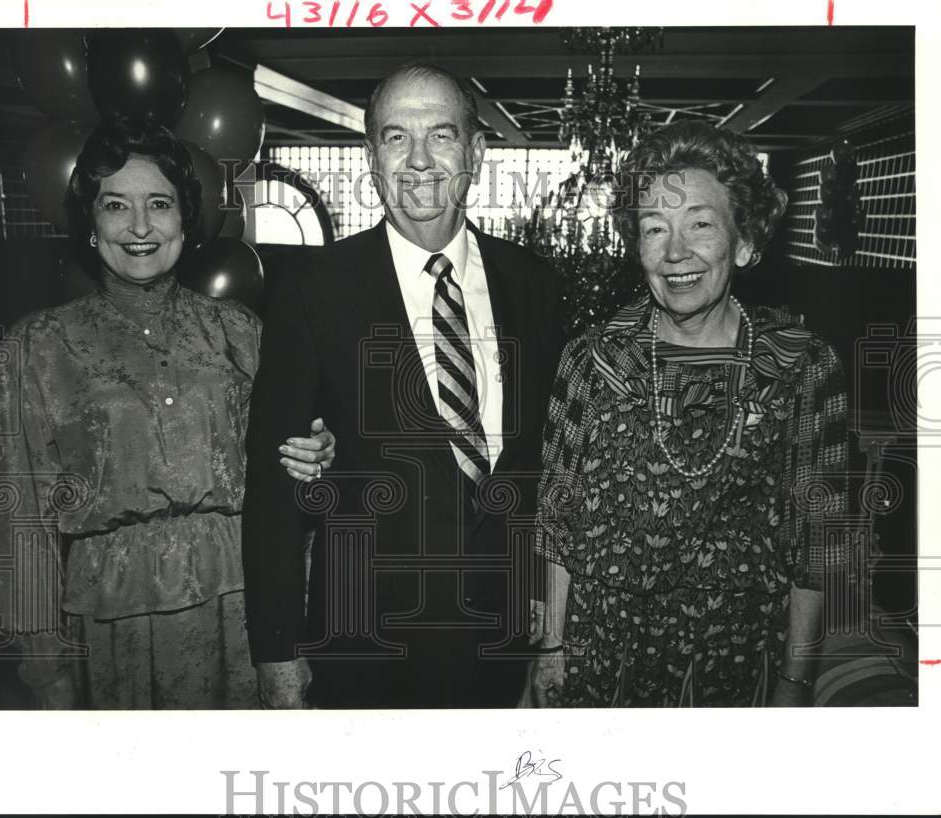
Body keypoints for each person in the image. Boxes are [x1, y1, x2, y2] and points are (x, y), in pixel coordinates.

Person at [243, 62, 564, 708]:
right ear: (370, 157)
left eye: (441, 136)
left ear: (475, 152)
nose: (419, 160)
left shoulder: (536, 285)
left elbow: (543, 466)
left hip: (503, 642)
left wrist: (542, 607)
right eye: (395, 137)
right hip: (368, 647)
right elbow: (276, 485)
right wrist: (277, 650)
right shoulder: (311, 291)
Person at [0, 117, 333, 709]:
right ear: (90, 225)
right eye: (116, 206)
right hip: (110, 628)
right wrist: (45, 670)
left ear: (185, 220)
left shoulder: (241, 332)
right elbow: (23, 526)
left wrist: (319, 457)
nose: (141, 227)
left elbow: (288, 500)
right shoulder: (38, 347)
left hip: (245, 611)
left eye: (159, 204)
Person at [531, 120, 849, 707]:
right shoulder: (593, 358)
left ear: (745, 241)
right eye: (655, 229)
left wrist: (795, 680)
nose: (676, 252)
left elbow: (820, 544)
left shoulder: (802, 367)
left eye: (700, 224)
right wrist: (551, 647)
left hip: (736, 663)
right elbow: (557, 521)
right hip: (601, 657)